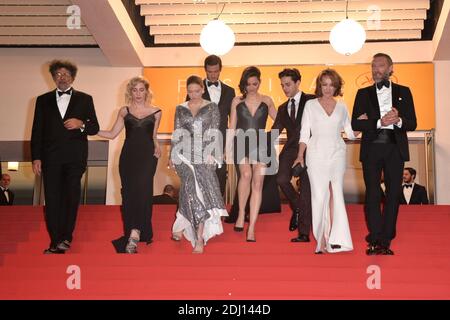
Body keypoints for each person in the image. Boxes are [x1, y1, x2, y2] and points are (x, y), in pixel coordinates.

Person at [31, 59, 99, 254]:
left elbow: (94, 127)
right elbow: (37, 131)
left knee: (70, 198)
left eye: (66, 75)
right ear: (53, 77)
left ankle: (66, 238)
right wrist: (36, 157)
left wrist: (81, 124)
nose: (62, 78)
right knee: (52, 200)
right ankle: (55, 240)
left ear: (73, 78)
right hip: (50, 159)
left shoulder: (85, 99)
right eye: (59, 74)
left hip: (75, 159)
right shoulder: (42, 100)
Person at [351, 53, 417, 255]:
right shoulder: (363, 93)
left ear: (390, 68)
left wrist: (397, 120)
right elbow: (355, 123)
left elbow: (412, 123)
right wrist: (380, 122)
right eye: (373, 66)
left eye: (380, 66)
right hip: (371, 149)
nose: (376, 70)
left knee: (393, 195)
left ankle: (385, 239)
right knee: (372, 194)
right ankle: (375, 236)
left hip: (394, 150)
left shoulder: (404, 92)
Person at [293, 69, 360, 254]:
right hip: (315, 155)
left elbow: (351, 133)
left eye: (331, 84)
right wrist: (300, 155)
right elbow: (304, 133)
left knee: (336, 194)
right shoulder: (310, 105)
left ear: (336, 86)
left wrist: (363, 124)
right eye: (324, 84)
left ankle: (335, 238)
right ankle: (321, 238)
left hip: (337, 154)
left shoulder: (342, 106)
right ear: (319, 86)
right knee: (319, 195)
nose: (328, 88)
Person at [97, 76, 161, 254]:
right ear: (130, 92)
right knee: (130, 193)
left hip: (148, 156)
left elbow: (153, 136)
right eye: (135, 90)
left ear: (146, 92)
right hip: (128, 157)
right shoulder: (124, 111)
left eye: (141, 90)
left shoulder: (156, 112)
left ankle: (136, 232)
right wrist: (88, 129)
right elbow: (111, 134)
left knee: (143, 191)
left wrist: (157, 146)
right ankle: (133, 231)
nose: (138, 93)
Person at [170, 75, 228, 254]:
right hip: (184, 154)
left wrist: (214, 154)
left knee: (199, 191)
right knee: (189, 184)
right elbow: (177, 131)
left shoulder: (212, 107)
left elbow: (215, 130)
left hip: (204, 153)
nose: (193, 94)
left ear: (203, 89)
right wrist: (172, 155)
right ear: (186, 91)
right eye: (190, 91)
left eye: (197, 91)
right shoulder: (180, 108)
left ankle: (198, 236)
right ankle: (183, 226)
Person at [227, 66, 277, 242]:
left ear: (259, 82)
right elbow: (232, 126)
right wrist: (227, 149)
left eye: (255, 84)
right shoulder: (236, 101)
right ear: (244, 84)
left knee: (258, 182)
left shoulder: (267, 100)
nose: (252, 87)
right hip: (241, 141)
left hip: (261, 143)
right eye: (248, 84)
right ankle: (241, 213)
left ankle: (252, 227)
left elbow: (279, 121)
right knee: (246, 174)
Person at [272, 68, 315, 242]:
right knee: (281, 179)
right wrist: (253, 142)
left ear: (298, 83)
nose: (285, 88)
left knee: (306, 190)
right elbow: (274, 132)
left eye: (288, 84)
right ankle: (297, 207)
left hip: (311, 150)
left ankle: (303, 233)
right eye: (282, 85)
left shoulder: (312, 100)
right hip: (290, 151)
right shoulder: (282, 108)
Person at [194, 55, 235, 197]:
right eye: (209, 72)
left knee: (220, 175)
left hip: (221, 140)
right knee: (201, 176)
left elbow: (232, 120)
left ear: (220, 70)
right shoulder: (195, 90)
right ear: (205, 70)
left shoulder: (230, 92)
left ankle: (217, 211)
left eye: (215, 71)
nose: (212, 75)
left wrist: (228, 145)